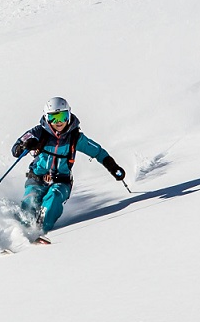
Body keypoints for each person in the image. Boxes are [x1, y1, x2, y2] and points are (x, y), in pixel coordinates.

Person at [10, 97, 125, 243]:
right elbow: (16, 149)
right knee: (30, 201)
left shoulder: (75, 137)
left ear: (69, 115)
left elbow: (97, 151)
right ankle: (16, 236)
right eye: (53, 118)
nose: (58, 122)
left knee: (54, 198)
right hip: (37, 178)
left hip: (61, 181)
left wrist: (113, 167)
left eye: (63, 116)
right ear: (46, 118)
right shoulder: (39, 132)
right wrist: (25, 145)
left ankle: (38, 232)